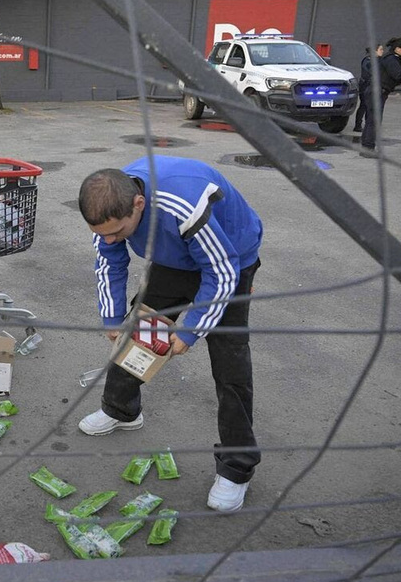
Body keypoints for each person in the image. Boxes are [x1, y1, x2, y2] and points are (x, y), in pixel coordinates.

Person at [78, 156, 263, 513]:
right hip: (174, 257)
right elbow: (108, 261)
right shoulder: (112, 210)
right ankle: (122, 409)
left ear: (139, 204)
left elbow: (219, 273)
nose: (111, 239)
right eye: (103, 233)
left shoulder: (182, 204)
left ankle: (237, 469)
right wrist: (112, 317)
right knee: (139, 331)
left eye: (118, 231)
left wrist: (192, 331)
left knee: (230, 362)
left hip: (232, 259)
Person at [360, 37, 401, 155]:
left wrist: (400, 81)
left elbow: (389, 76)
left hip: (375, 91)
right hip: (377, 92)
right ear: (397, 48)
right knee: (374, 121)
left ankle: (366, 146)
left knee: (371, 120)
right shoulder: (392, 59)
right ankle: (368, 149)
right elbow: (397, 75)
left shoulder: (389, 58)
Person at [353, 44, 385, 133]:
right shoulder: (368, 61)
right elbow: (371, 73)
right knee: (365, 105)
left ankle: (365, 125)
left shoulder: (375, 60)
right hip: (365, 85)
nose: (382, 51)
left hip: (368, 85)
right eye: (381, 49)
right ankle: (359, 125)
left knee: (367, 106)